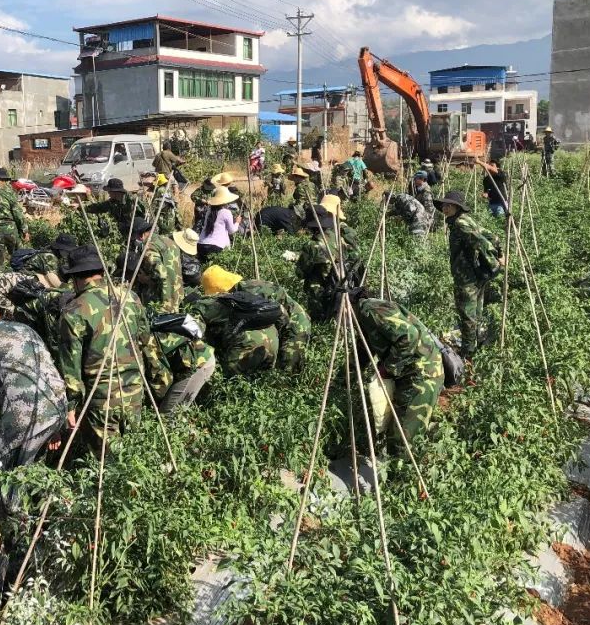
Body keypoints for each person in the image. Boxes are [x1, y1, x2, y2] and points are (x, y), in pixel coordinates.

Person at [0, 295, 67, 511]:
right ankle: (48, 520)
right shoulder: (25, 329)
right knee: (33, 470)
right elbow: (50, 372)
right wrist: (57, 426)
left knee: (7, 477)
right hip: (58, 405)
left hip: (24, 416)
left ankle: (18, 534)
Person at [56, 247, 169, 453]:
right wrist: (157, 379)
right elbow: (146, 342)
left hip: (101, 399)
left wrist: (70, 407)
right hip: (134, 390)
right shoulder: (130, 297)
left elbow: (71, 371)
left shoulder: (73, 312)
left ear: (76, 278)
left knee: (106, 460)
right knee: (133, 455)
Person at [323, 283, 444, 449]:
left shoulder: (370, 310)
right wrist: (338, 384)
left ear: (347, 306)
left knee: (404, 436)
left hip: (423, 372)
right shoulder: (363, 319)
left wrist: (387, 369)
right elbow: (361, 354)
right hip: (409, 372)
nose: (339, 322)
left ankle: (399, 471)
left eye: (338, 315)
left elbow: (409, 336)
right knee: (392, 428)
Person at [199, 265, 310, 372]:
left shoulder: (252, 292)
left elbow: (281, 314)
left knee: (289, 362)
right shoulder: (240, 292)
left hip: (295, 319)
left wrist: (279, 337)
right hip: (283, 316)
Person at [434, 190, 503, 358]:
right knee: (476, 313)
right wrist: (500, 252)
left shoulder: (459, 224)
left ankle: (467, 354)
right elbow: (492, 236)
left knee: (467, 315)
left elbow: (480, 241)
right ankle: (476, 345)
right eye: (444, 205)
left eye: (448, 205)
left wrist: (496, 260)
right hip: (475, 275)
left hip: (466, 277)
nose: (444, 208)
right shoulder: (466, 220)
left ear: (457, 207)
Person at [184, 268, 279, 377]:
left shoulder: (204, 305)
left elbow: (193, 332)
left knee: (229, 380)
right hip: (272, 343)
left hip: (246, 346)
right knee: (262, 379)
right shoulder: (246, 298)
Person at [126, 217, 184, 313]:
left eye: (134, 237)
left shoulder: (149, 248)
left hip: (164, 302)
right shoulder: (169, 241)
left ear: (141, 235)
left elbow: (161, 274)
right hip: (178, 294)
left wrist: (146, 279)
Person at [197, 186, 240, 262]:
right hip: (216, 247)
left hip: (201, 244)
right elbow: (231, 231)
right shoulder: (226, 212)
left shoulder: (209, 211)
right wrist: (237, 222)